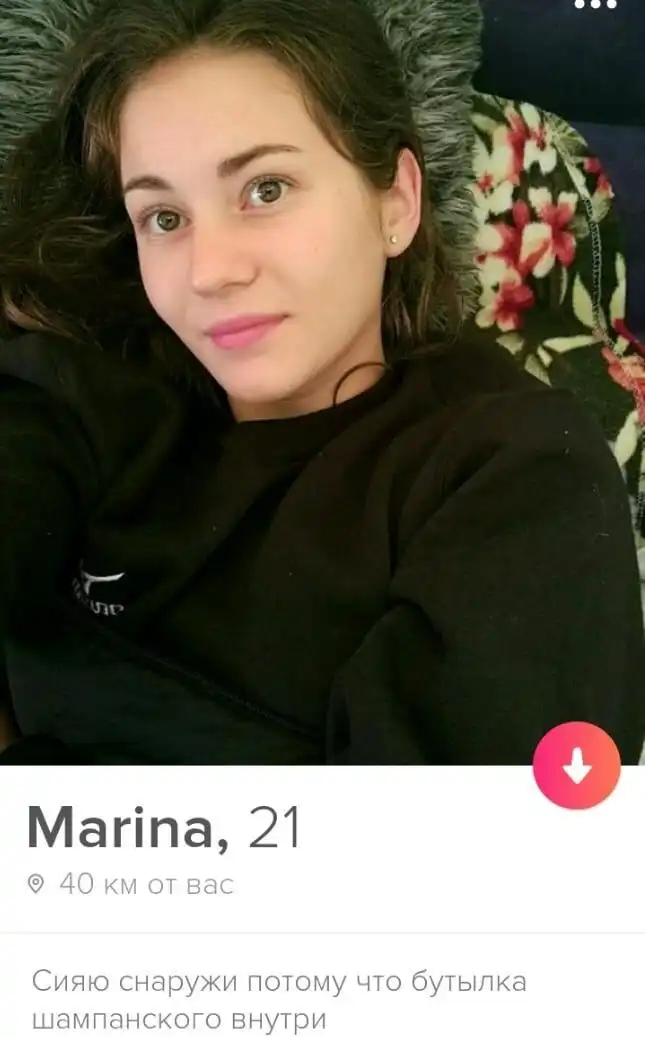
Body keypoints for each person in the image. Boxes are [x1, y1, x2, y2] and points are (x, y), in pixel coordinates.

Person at [0, 0, 643, 765]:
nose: (210, 272)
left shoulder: (513, 463)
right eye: (163, 218)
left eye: (266, 189)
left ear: (396, 201)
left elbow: (472, 835)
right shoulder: (77, 393)